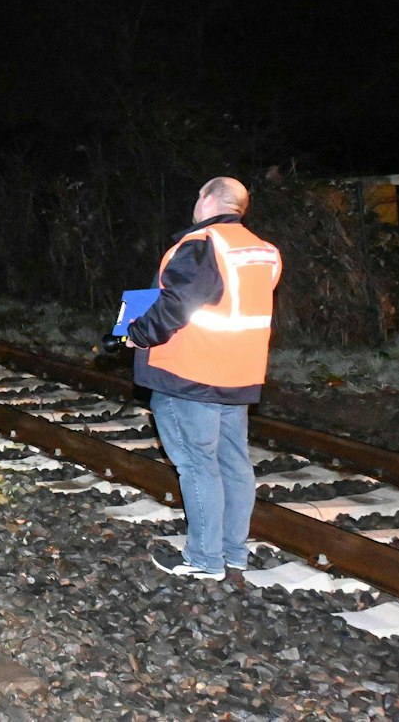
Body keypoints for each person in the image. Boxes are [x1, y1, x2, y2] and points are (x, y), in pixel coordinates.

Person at [111, 176, 282, 585]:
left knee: (196, 464)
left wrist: (134, 334)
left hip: (188, 374)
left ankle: (205, 558)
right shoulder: (262, 250)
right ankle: (232, 552)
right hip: (238, 375)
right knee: (234, 463)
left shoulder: (202, 245)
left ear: (207, 199)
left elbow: (177, 305)